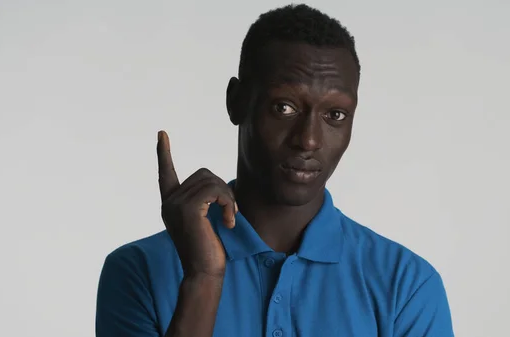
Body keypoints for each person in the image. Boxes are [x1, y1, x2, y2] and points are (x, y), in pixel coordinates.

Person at [95, 4, 454, 337]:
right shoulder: (138, 272)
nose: (309, 140)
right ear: (236, 102)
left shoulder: (406, 286)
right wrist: (203, 278)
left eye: (335, 115)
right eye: (284, 107)